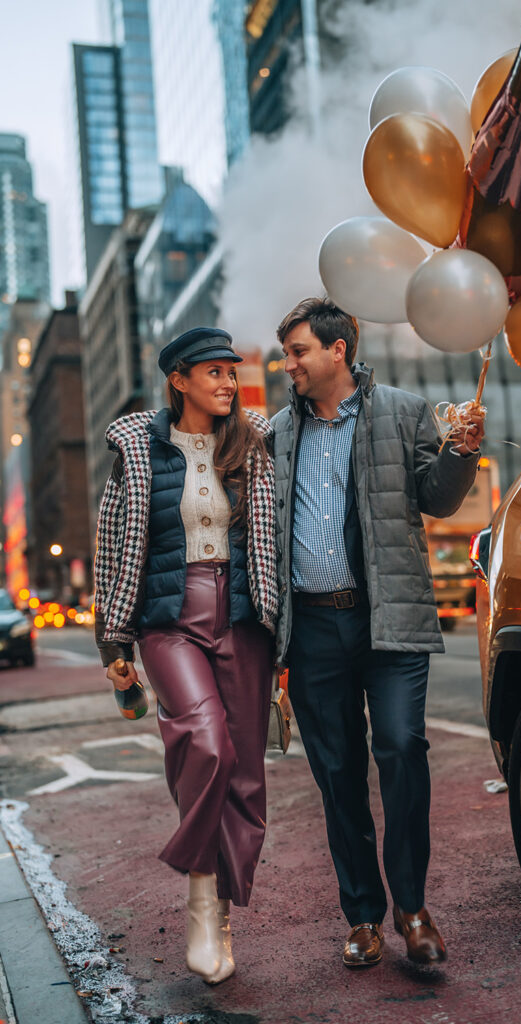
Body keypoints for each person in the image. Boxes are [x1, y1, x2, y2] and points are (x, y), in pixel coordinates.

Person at [272, 298, 485, 969]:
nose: (289, 366)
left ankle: (413, 909)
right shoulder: (275, 432)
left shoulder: (402, 410)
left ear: (338, 349)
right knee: (336, 776)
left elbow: (439, 498)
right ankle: (363, 915)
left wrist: (461, 454)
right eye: (286, 354)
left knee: (400, 749)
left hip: (388, 616)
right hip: (310, 627)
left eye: (298, 351)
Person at [94, 327, 277, 985]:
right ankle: (202, 899)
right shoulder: (138, 451)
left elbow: (271, 537)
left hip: (242, 617)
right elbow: (112, 542)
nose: (228, 384)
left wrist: (281, 631)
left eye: (232, 373)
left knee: (246, 775)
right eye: (214, 373)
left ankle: (222, 908)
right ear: (179, 378)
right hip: (168, 620)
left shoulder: (253, 446)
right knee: (207, 746)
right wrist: (113, 639)